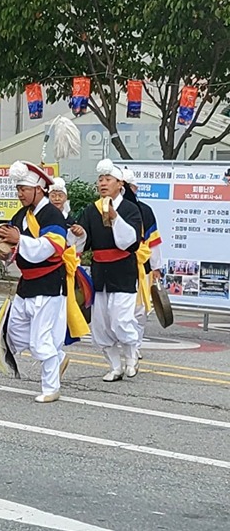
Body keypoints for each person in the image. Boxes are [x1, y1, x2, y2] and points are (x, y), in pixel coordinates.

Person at [0, 161, 71, 403]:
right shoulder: (21, 215)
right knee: (13, 333)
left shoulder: (53, 215)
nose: (19, 194)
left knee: (40, 340)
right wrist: (6, 252)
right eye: (18, 189)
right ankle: (55, 357)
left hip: (49, 283)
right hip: (26, 283)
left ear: (38, 188)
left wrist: (20, 240)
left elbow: (51, 248)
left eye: (23, 189)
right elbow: (15, 249)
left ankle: (51, 387)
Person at [78, 159, 143, 382]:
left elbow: (131, 242)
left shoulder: (130, 209)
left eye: (108, 180)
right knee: (101, 324)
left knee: (121, 320)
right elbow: (83, 242)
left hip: (123, 272)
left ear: (119, 184)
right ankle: (115, 365)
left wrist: (115, 218)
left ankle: (132, 355)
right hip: (100, 272)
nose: (103, 183)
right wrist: (78, 233)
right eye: (101, 180)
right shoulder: (91, 209)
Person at [122, 167, 163, 358]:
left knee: (139, 310)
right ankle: (127, 345)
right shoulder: (105, 209)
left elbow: (153, 241)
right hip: (118, 267)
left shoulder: (145, 211)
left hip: (141, 267)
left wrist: (156, 267)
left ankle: (134, 346)